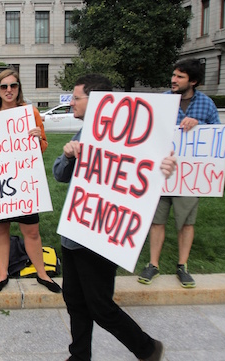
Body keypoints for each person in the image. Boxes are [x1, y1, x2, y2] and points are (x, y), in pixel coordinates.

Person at [53, 74, 176, 361]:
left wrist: (164, 167)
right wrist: (68, 156)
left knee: (100, 307)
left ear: (94, 101)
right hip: (73, 235)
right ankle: (79, 355)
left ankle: (147, 348)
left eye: (76, 97)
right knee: (74, 300)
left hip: (102, 236)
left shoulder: (128, 136)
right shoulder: (82, 134)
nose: (71, 101)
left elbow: (148, 168)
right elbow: (59, 174)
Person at [0, 69, 62, 294]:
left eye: (13, 86)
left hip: (24, 182)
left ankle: (42, 274)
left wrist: (38, 138)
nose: (9, 90)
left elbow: (42, 147)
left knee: (32, 231)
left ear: (19, 88)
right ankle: (3, 273)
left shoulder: (30, 113)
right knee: (1, 229)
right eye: (4, 86)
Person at [138, 59, 220, 289]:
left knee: (186, 223)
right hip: (162, 174)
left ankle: (182, 266)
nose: (173, 80)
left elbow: (217, 137)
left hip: (190, 177)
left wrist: (200, 127)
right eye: (173, 75)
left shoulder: (206, 105)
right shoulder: (163, 101)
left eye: (180, 77)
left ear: (193, 81)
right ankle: (153, 264)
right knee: (157, 221)